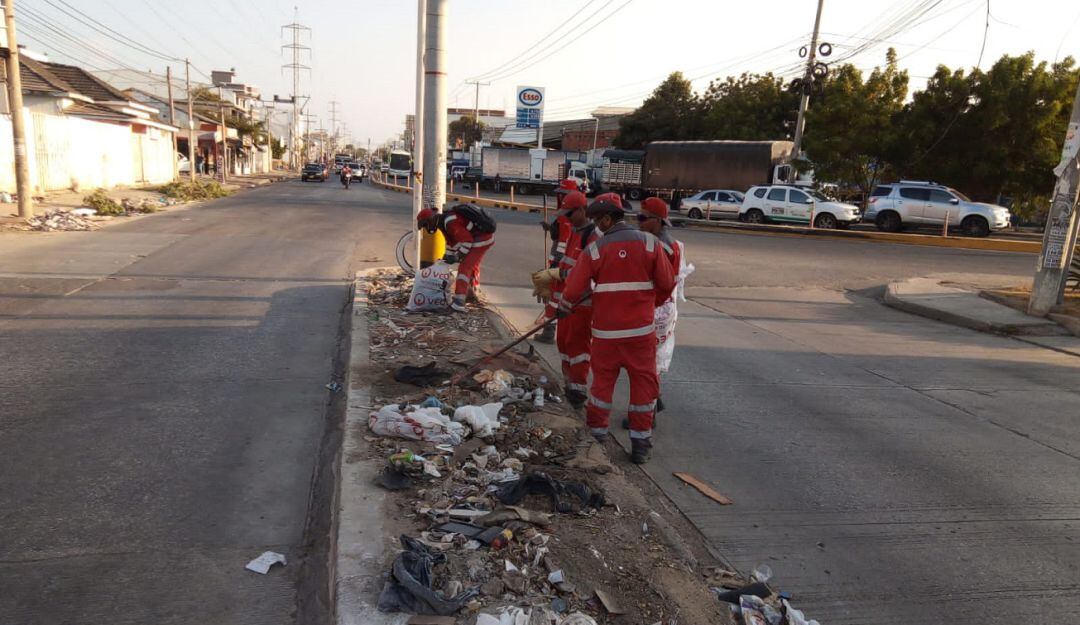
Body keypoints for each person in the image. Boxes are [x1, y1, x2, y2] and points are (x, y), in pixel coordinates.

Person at [561, 194, 675, 464]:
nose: (597, 227)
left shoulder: (596, 250)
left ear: (608, 219)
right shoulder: (650, 244)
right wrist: (648, 303)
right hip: (640, 334)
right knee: (643, 387)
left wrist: (565, 305)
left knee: (602, 386)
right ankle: (640, 445)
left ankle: (597, 439)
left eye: (598, 221)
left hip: (606, 335)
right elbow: (667, 283)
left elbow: (574, 289)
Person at [630, 197, 692, 423]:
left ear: (658, 221)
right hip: (661, 308)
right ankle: (655, 401)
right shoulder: (666, 242)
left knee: (645, 364)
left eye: (643, 218)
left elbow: (659, 284)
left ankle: (648, 413)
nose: (638, 222)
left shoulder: (661, 246)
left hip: (656, 309)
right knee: (651, 361)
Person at [551, 190, 600, 408]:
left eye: (570, 214)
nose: (567, 218)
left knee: (577, 347)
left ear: (582, 210)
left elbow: (589, 272)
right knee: (562, 342)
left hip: (582, 304)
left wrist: (563, 275)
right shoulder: (574, 231)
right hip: (567, 301)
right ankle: (568, 384)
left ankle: (578, 390)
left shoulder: (593, 235)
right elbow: (567, 263)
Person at [416, 204, 496, 313]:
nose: (426, 228)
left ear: (430, 220)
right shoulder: (444, 222)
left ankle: (458, 303)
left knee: (464, 268)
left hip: (482, 239)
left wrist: (457, 256)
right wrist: (445, 259)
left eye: (425, 224)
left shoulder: (449, 222)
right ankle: (472, 293)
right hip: (481, 237)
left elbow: (467, 241)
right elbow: (452, 243)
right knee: (472, 264)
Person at [536, 179, 583, 344]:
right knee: (555, 297)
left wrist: (556, 265)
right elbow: (560, 235)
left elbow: (564, 240)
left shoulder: (569, 217)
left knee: (555, 297)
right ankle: (550, 329)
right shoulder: (565, 214)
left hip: (561, 265)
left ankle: (549, 331)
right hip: (561, 264)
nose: (560, 196)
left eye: (562, 194)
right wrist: (549, 228)